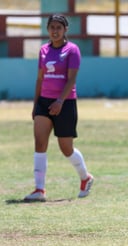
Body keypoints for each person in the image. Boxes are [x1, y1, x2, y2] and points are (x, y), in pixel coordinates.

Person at [24, 14, 94, 202]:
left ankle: (85, 178)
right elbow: (40, 78)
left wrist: (60, 101)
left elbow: (71, 79)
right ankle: (39, 189)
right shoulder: (43, 50)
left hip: (65, 103)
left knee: (66, 148)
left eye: (59, 28)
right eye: (52, 27)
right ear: (48, 29)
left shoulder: (72, 50)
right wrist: (35, 104)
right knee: (40, 143)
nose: (55, 31)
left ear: (65, 30)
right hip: (44, 102)